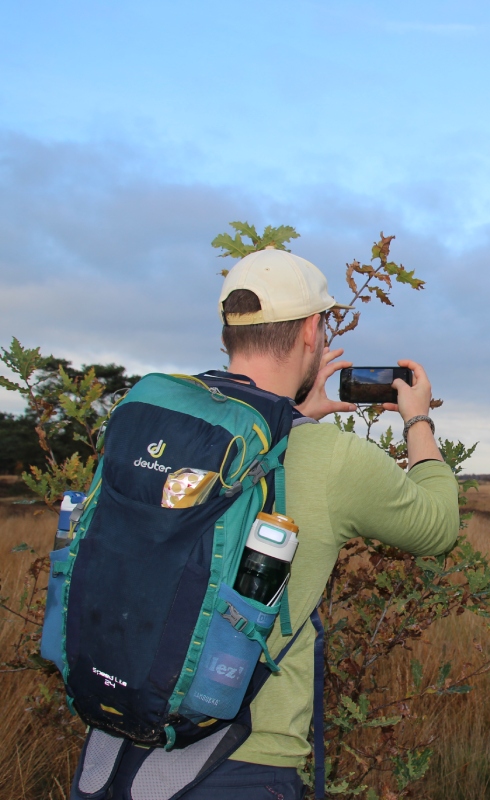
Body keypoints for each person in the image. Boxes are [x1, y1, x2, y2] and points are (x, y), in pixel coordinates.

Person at [82, 246, 460, 799]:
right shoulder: (330, 458)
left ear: (228, 333)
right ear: (312, 330)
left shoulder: (151, 420)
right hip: (237, 767)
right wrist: (418, 419)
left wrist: (294, 420)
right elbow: (439, 526)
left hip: (107, 749)